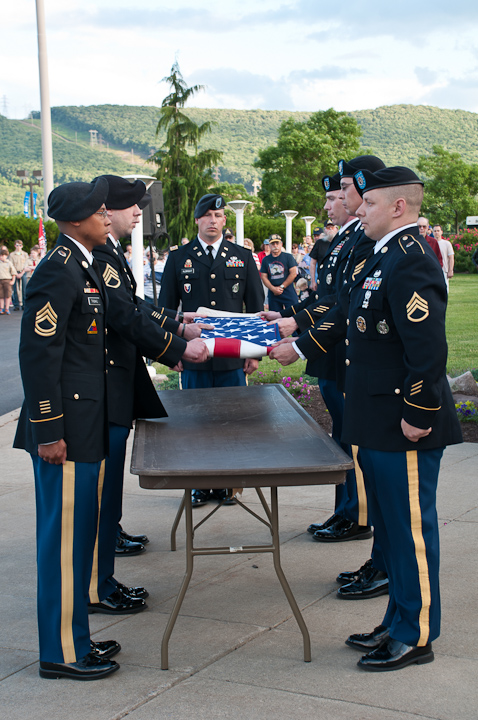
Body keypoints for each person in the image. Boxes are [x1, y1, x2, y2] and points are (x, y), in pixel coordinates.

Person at [276, 166, 463, 671]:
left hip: (402, 422)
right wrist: (299, 343)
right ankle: (396, 620)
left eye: (370, 203)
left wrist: (419, 414)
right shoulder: (382, 257)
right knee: (391, 530)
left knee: (410, 533)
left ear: (398, 206)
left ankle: (416, 634)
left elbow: (427, 350)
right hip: (377, 418)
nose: (359, 209)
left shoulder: (411, 259)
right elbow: (348, 319)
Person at [13, 178, 121, 680]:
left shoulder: (81, 265)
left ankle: (77, 637)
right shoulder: (58, 271)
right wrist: (48, 429)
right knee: (63, 546)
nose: (107, 217)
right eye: (99, 211)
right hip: (66, 433)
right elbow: (39, 356)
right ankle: (61, 653)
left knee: (77, 545)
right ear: (77, 220)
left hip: (83, 426)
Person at [89, 175, 208, 614]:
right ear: (104, 210)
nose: (138, 212)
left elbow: (136, 305)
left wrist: (174, 327)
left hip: (114, 389)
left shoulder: (107, 253)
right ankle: (95, 586)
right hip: (101, 393)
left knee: (104, 493)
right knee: (96, 497)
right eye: (129, 205)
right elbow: (125, 316)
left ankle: (102, 579)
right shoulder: (96, 256)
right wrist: (175, 346)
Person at [159, 193, 264, 506]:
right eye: (207, 216)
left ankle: (229, 484)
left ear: (225, 221)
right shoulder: (179, 258)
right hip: (194, 356)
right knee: (195, 424)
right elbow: (165, 309)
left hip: (233, 356)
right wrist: (171, 351)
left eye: (218, 217)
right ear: (197, 220)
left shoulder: (242, 256)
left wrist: (254, 353)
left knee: (234, 423)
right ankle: (199, 483)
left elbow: (255, 307)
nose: (213, 222)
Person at [260, 234, 298, 311]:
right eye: (273, 244)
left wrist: (282, 287)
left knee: (293, 313)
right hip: (273, 292)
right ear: (269, 245)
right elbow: (263, 276)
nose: (275, 245)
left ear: (281, 244)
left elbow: (293, 273)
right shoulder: (266, 260)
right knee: (274, 317)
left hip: (288, 290)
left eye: (277, 243)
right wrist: (273, 288)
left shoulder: (288, 257)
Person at [9, 239, 30, 310]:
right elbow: (11, 265)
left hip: (23, 272)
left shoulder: (25, 254)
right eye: (17, 245)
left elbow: (26, 264)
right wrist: (15, 274)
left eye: (20, 245)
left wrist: (22, 272)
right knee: (15, 289)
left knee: (24, 289)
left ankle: (24, 304)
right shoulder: (12, 254)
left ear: (22, 246)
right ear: (15, 246)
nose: (18, 247)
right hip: (15, 272)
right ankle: (16, 305)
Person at [433, 224, 454, 290]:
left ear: (441, 232)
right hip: (432, 270)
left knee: (444, 289)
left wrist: (450, 270)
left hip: (444, 270)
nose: (436, 232)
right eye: (435, 231)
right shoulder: (430, 243)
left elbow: (451, 258)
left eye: (438, 231)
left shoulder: (447, 244)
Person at [0, 248, 16, 314]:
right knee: (1, 295)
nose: (2, 257)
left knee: (8, 295)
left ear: (6, 256)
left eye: (3, 255)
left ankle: (7, 308)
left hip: (7, 280)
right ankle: (1, 308)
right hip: (0, 280)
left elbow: (13, 273)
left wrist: (13, 280)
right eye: (1, 256)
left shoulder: (9, 263)